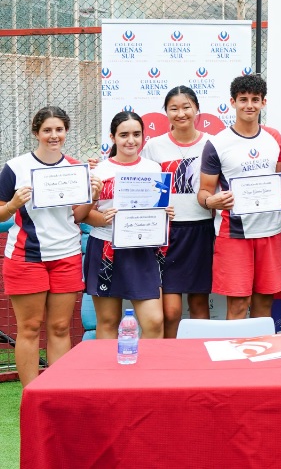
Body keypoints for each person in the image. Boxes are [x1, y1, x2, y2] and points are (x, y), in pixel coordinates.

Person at [0, 106, 100, 385]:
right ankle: (32, 395)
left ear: (66, 132)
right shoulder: (15, 167)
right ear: (36, 133)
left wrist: (93, 196)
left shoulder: (75, 168)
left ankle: (55, 391)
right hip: (25, 257)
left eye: (59, 130)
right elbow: (1, 212)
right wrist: (12, 205)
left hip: (66, 255)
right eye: (47, 130)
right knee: (29, 328)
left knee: (59, 327)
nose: (53, 135)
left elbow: (78, 216)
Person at [198, 74, 281, 320]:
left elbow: (279, 180)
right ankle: (235, 357)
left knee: (264, 305)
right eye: (243, 100)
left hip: (270, 231)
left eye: (255, 99)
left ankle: (260, 354)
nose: (249, 105)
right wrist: (211, 201)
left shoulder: (275, 139)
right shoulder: (217, 144)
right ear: (233, 102)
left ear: (263, 103)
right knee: (238, 306)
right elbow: (204, 192)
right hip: (235, 233)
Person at [84, 111, 174, 339]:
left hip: (143, 251)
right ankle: (110, 375)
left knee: (154, 321)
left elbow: (159, 212)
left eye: (136, 134)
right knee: (107, 321)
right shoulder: (98, 171)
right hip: (106, 248)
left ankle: (146, 374)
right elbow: (83, 216)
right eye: (124, 135)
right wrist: (104, 218)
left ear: (144, 136)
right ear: (112, 137)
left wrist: (165, 215)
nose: (131, 140)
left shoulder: (154, 169)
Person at [140, 86, 214, 337]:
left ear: (196, 110)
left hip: (202, 229)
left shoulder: (211, 144)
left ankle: (201, 364)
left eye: (186, 107)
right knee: (171, 311)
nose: (181, 113)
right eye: (174, 108)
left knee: (199, 304)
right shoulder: (154, 147)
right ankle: (170, 364)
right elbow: (143, 185)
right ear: (166, 113)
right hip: (167, 233)